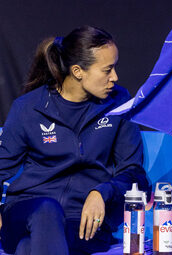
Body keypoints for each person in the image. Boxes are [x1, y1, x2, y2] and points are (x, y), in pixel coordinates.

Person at [0, 26, 149, 255]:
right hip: (26, 212)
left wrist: (102, 191)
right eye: (107, 69)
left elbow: (135, 173)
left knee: (29, 247)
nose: (115, 77)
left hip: (83, 224)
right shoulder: (29, 108)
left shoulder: (119, 104)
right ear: (78, 71)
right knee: (47, 210)